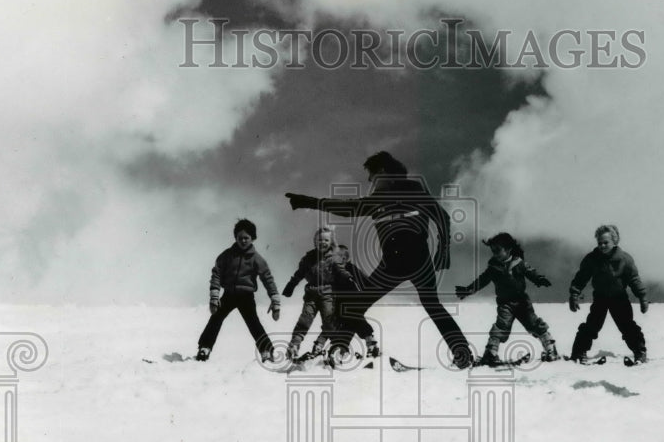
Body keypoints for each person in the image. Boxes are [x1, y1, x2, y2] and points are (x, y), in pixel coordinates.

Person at [286, 151, 472, 368]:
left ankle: (462, 352)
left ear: (382, 172)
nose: (369, 181)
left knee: (428, 304)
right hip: (393, 264)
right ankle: (339, 349)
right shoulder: (376, 201)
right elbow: (346, 209)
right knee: (360, 306)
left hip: (416, 260)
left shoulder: (414, 190)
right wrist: (309, 202)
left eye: (371, 176)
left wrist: (444, 248)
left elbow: (442, 216)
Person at [455, 232, 558, 365]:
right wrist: (468, 290)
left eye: (498, 250)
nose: (495, 254)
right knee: (500, 327)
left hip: (522, 302)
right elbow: (482, 280)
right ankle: (491, 354)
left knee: (534, 324)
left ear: (508, 249)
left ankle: (550, 349)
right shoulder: (493, 267)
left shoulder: (519, 263)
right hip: (505, 304)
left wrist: (539, 279)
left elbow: (530, 272)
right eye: (493, 251)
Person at [196, 219, 280, 362]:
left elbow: (267, 278)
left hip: (246, 296)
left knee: (253, 323)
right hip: (229, 295)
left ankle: (266, 351)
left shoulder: (256, 259)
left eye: (246, 238)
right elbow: (216, 272)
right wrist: (214, 295)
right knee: (216, 318)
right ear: (235, 237)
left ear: (252, 238)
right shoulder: (227, 255)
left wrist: (275, 299)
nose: (243, 240)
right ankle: (205, 348)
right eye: (239, 237)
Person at [567, 224, 649, 364]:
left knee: (627, 326)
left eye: (606, 242)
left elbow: (634, 279)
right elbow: (582, 277)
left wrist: (642, 297)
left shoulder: (624, 259)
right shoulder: (592, 259)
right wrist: (574, 294)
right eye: (600, 243)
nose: (602, 246)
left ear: (615, 241)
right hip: (600, 298)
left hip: (619, 298)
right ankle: (579, 352)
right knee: (592, 325)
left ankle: (639, 351)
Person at [282, 227, 356, 360]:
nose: (323, 242)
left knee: (329, 320)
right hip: (311, 294)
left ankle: (337, 347)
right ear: (315, 241)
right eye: (320, 240)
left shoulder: (334, 258)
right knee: (305, 319)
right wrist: (291, 285)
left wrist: (349, 278)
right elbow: (299, 273)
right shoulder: (308, 258)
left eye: (326, 240)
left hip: (327, 294)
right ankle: (294, 345)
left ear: (331, 242)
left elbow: (340, 270)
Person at [335, 244, 380, 358]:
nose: (341, 258)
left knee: (351, 316)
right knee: (349, 320)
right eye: (337, 255)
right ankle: (344, 348)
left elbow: (364, 281)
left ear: (346, 258)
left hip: (353, 299)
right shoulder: (332, 270)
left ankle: (344, 349)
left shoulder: (351, 268)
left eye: (343, 256)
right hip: (338, 302)